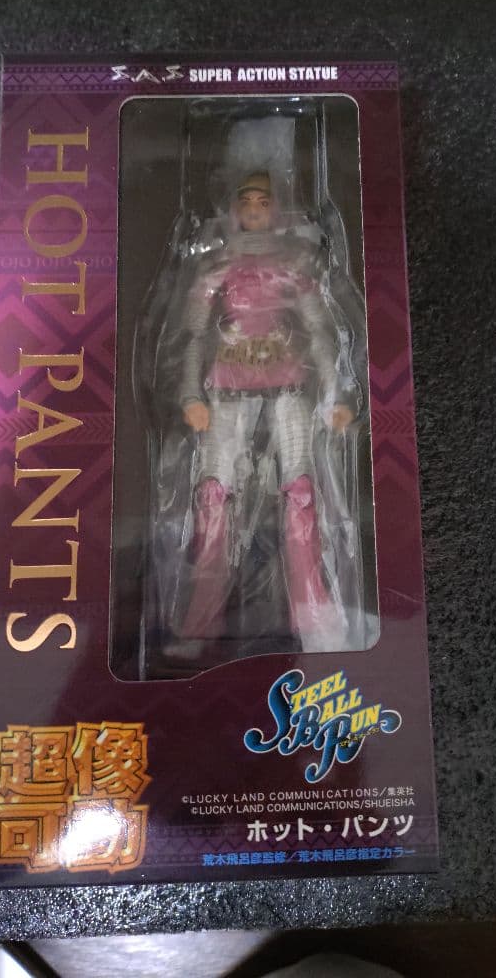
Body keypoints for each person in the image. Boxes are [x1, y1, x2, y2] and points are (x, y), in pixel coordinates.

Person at [176, 169, 355, 655]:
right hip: (227, 388)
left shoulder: (295, 263)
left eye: (263, 202)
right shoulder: (215, 267)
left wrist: (335, 394)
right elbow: (194, 335)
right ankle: (199, 625)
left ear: (276, 208)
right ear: (234, 209)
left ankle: (316, 620)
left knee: (300, 492)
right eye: (246, 202)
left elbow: (320, 331)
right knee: (213, 495)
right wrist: (190, 395)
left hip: (289, 386)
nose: (254, 210)